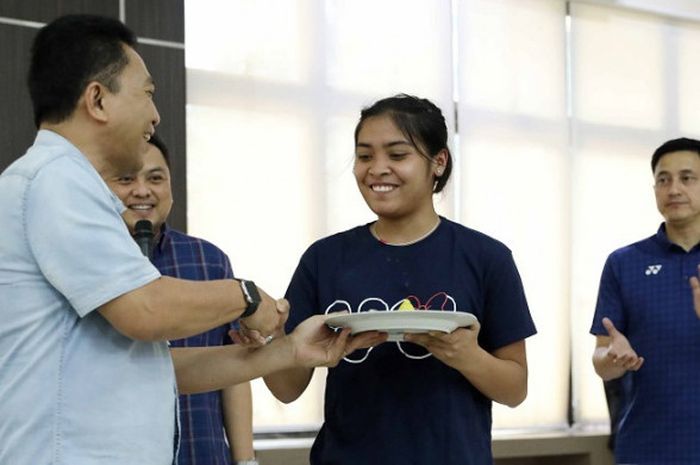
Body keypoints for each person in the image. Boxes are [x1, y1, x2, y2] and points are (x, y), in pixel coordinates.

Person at [0, 14, 378, 465]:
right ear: (97, 100)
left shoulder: (68, 188)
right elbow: (147, 310)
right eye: (147, 93)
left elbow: (156, 368)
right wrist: (245, 296)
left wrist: (289, 351)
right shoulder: (56, 180)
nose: (155, 115)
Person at [261, 94, 537, 465]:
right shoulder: (324, 258)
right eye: (364, 156)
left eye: (397, 154)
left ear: (438, 162)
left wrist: (467, 356)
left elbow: (515, 388)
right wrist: (265, 341)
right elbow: (287, 389)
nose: (377, 169)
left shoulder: (487, 258)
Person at [105, 134, 256, 465]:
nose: (142, 190)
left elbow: (235, 369)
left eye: (155, 178)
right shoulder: (88, 264)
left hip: (200, 453)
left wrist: (246, 461)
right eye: (126, 179)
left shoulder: (208, 260)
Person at [590, 137, 700, 464]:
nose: (674, 189)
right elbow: (600, 359)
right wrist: (612, 357)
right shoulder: (624, 263)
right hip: (647, 446)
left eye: (687, 177)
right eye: (663, 180)